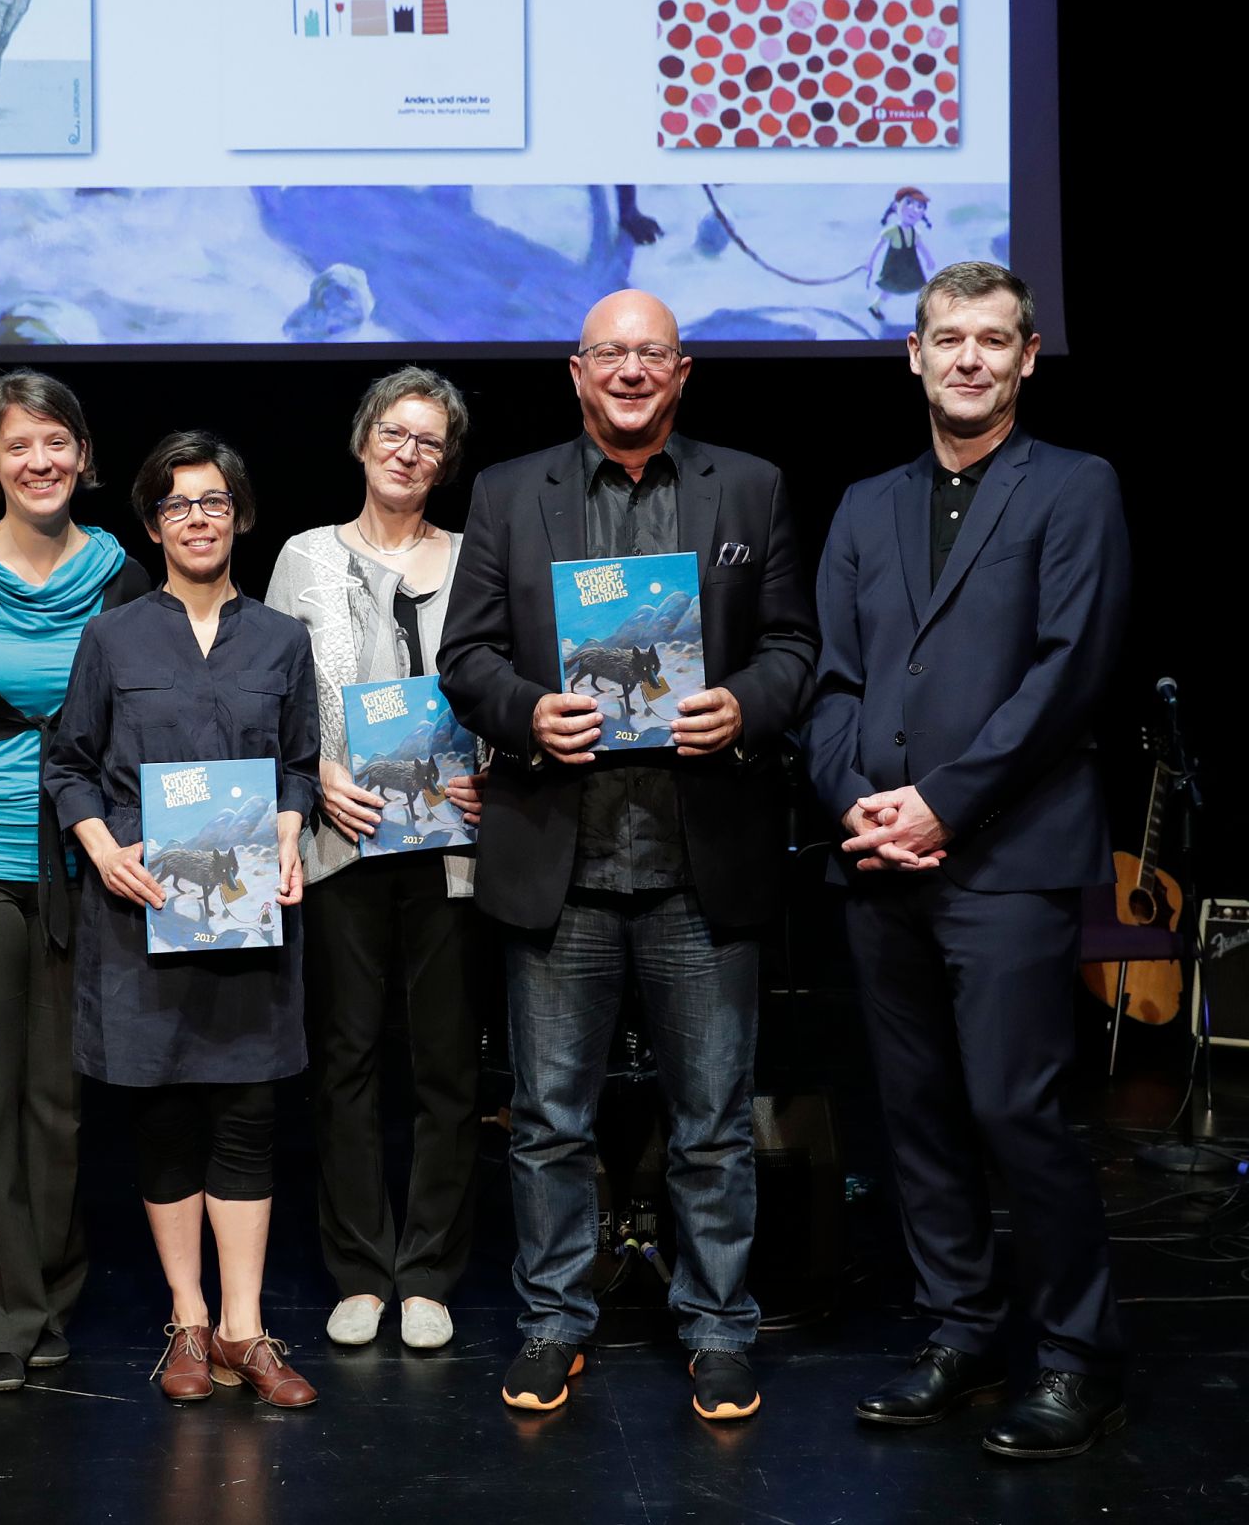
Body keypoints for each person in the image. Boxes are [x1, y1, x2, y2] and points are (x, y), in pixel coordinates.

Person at [437, 289, 818, 1418]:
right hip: (561, 858)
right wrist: (524, 709)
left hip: (701, 858)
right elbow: (464, 653)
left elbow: (796, 647)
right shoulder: (509, 491)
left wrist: (743, 704)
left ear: (682, 371)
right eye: (610, 353)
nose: (630, 370)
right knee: (549, 1121)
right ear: (575, 370)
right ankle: (553, 1320)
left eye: (650, 353)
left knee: (712, 1122)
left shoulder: (747, 486)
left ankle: (716, 1328)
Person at [801, 262, 1131, 1459]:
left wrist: (940, 803)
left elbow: (1065, 676)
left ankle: (1074, 1356)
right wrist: (857, 801)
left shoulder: (1074, 488)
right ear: (913, 354)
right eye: (948, 338)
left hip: (1006, 861)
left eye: (992, 340)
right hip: (878, 859)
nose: (968, 359)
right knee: (918, 1119)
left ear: (1026, 358)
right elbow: (832, 682)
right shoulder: (861, 504)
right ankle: (957, 1333)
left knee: (1015, 1111)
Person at [44, 432, 323, 1409]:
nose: (197, 518)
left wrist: (289, 829)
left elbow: (296, 761)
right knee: (163, 1119)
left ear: (240, 514)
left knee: (246, 1118)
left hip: (249, 920)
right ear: (151, 523)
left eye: (214, 501)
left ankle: (245, 1327)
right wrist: (101, 847)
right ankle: (187, 1318)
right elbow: (68, 762)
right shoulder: (114, 635)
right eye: (176, 504)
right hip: (145, 914)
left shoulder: (281, 639)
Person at [0, 372, 151, 1392]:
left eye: (56, 442)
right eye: (18, 446)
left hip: (83, 866)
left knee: (57, 1100)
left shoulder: (121, 576)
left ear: (83, 456)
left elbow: (136, 729)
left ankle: (49, 1292)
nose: (39, 462)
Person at [264, 367, 488, 1353]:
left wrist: (492, 773)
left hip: (451, 850)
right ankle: (359, 1267)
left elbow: (503, 686)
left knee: (445, 1065)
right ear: (361, 443)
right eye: (393, 433)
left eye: (428, 441)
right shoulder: (303, 558)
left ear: (444, 461)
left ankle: (428, 1268)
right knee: (346, 1059)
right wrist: (313, 774)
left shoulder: (479, 558)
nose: (408, 452)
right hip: (342, 841)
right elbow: (271, 697)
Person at [865, 186, 935, 329]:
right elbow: (878, 247)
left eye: (919, 207)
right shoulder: (892, 231)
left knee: (921, 289)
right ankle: (875, 307)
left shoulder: (915, 232)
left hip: (911, 267)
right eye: (908, 203)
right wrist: (869, 263)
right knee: (888, 289)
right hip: (895, 268)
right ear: (896, 206)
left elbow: (921, 247)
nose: (913, 210)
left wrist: (929, 259)